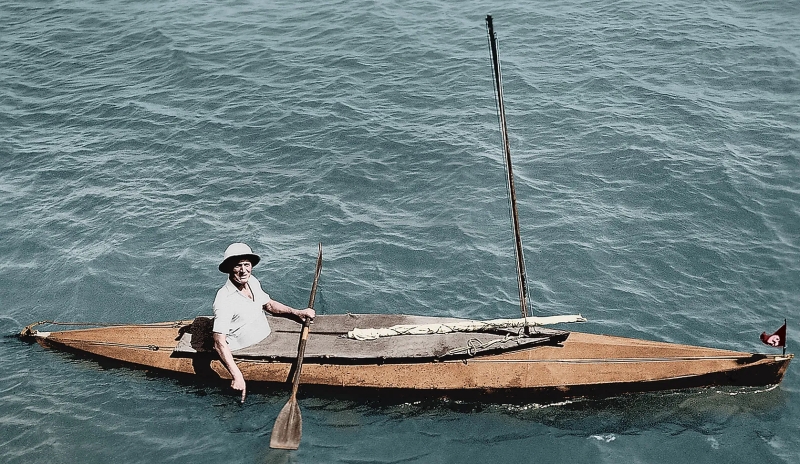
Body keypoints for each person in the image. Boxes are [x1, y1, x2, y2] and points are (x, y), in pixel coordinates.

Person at [212, 242, 315, 402]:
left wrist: (296, 312)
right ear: (229, 268)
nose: (243, 270)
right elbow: (219, 342)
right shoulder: (224, 299)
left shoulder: (252, 281)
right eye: (238, 266)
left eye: (247, 265)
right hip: (246, 350)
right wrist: (237, 375)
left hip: (268, 337)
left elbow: (269, 305)